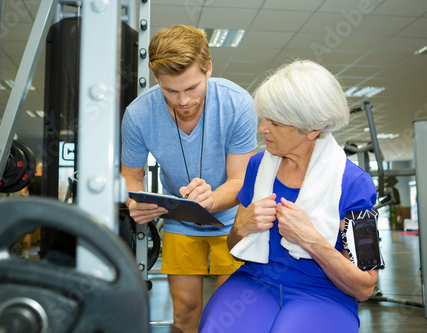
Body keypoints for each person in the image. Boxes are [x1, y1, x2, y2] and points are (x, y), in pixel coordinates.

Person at [199, 60, 384, 333]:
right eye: (264, 118)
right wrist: (241, 227)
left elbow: (365, 285)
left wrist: (312, 241)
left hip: (323, 293)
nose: (262, 129)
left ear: (312, 129)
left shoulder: (354, 184)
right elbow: (233, 246)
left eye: (275, 122)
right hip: (255, 282)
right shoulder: (257, 167)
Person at [121, 25, 257, 333]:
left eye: (192, 88)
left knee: (229, 315)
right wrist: (135, 200)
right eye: (171, 91)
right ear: (157, 79)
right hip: (179, 218)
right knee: (184, 312)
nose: (183, 100)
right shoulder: (139, 114)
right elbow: (131, 175)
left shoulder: (238, 104)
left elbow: (239, 180)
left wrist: (211, 199)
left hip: (234, 218)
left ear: (208, 69)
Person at [19, 162, 43, 258]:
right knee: (47, 231)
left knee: (29, 233)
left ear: (36, 170)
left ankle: (26, 254)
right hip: (45, 208)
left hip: (33, 208)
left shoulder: (30, 180)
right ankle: (45, 253)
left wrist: (30, 198)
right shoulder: (47, 181)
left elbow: (22, 193)